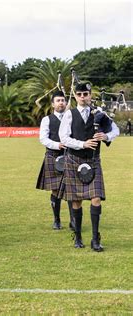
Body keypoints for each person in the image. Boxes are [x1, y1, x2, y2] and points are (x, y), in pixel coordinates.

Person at [58, 83, 119, 251]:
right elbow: (63, 137)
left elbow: (116, 129)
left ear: (90, 95)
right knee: (76, 200)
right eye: (79, 94)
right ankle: (77, 236)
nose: (83, 96)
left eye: (85, 93)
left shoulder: (100, 113)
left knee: (96, 198)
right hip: (74, 160)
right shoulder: (69, 114)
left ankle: (95, 238)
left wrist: (106, 136)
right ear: (75, 96)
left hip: (93, 161)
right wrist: (82, 144)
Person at [36, 91, 74, 230]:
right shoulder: (47, 120)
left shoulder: (71, 118)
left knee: (71, 189)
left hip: (70, 157)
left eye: (63, 100)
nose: (61, 103)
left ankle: (73, 221)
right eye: (58, 100)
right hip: (53, 155)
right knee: (55, 190)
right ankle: (57, 220)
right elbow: (43, 138)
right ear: (53, 104)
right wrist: (57, 145)